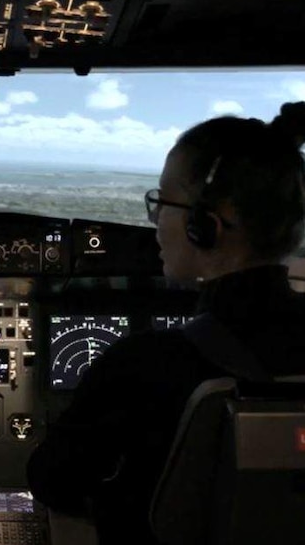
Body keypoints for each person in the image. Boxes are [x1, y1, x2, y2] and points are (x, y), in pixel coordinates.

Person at [27, 103, 305, 544]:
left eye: (162, 204)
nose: (154, 223)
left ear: (204, 227)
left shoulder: (147, 363)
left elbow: (52, 481)